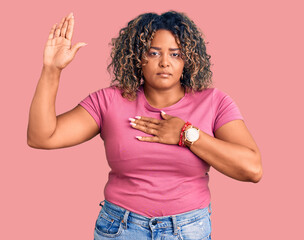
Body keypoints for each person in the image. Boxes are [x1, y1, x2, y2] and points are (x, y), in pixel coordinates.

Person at [27, 11, 262, 240]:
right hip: (120, 229)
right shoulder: (109, 101)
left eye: (175, 54)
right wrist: (52, 70)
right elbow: (42, 137)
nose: (164, 63)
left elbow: (252, 169)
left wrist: (187, 134)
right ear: (138, 57)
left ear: (188, 59)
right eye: (153, 52)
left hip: (189, 230)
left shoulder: (214, 102)